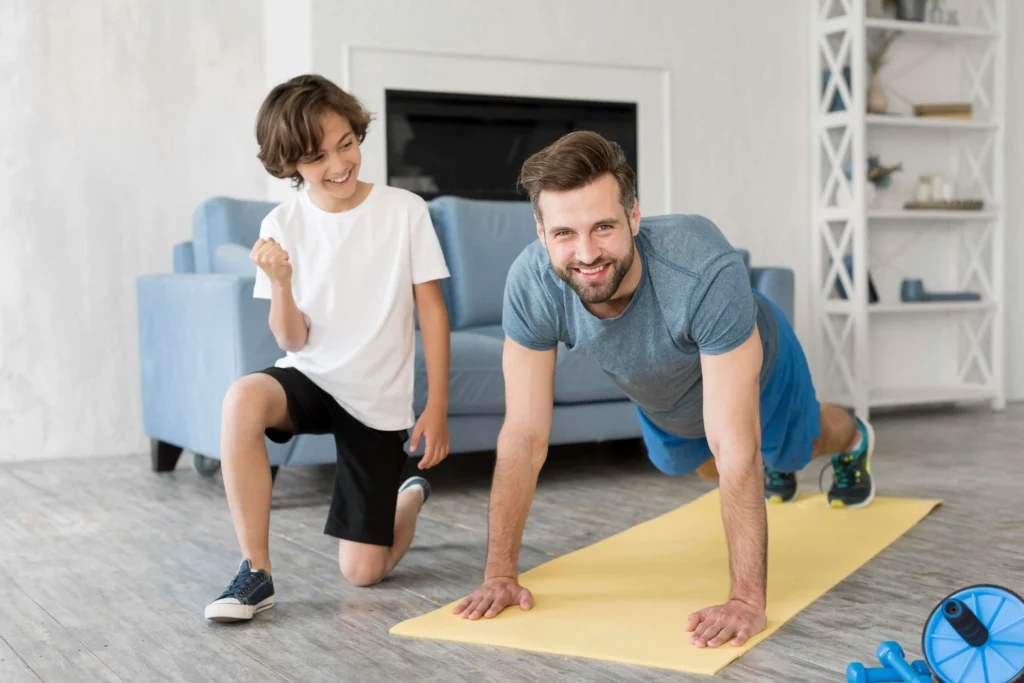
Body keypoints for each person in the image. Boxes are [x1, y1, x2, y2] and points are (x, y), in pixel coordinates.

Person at [452, 131, 876, 648]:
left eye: (603, 227)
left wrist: (746, 600)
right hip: (665, 390)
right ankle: (774, 469)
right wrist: (499, 574)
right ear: (541, 233)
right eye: (564, 233)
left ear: (634, 216)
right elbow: (523, 436)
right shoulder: (531, 284)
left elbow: (734, 444)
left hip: (756, 365)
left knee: (786, 449)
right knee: (685, 464)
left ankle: (853, 439)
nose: (586, 254)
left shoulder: (701, 266)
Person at [205, 75, 452, 622]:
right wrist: (282, 283)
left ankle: (408, 495)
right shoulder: (282, 223)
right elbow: (292, 340)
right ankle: (255, 571)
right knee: (242, 398)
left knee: (363, 572)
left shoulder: (405, 210)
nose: (339, 164)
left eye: (346, 144)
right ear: (290, 163)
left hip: (377, 401)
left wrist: (436, 405)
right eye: (317, 157)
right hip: (312, 377)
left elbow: (433, 312)